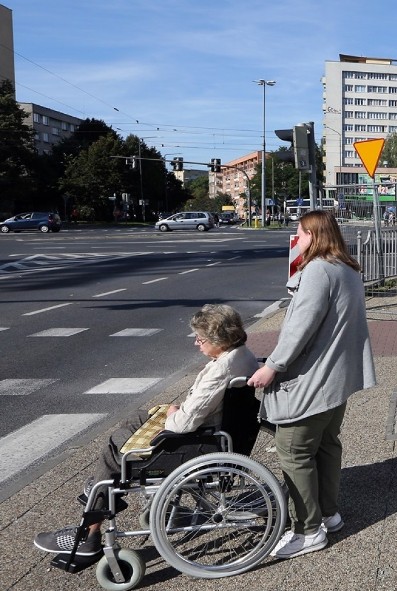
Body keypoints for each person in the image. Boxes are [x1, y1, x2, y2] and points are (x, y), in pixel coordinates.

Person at [33, 304, 259, 557]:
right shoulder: (242, 355)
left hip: (197, 443)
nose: (197, 343)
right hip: (215, 433)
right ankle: (102, 486)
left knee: (112, 450)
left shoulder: (221, 369)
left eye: (201, 339)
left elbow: (184, 424)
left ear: (220, 339)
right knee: (138, 417)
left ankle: (90, 534)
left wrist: (174, 413)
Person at [248, 210, 375, 560]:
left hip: (312, 381)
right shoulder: (347, 269)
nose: (297, 240)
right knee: (326, 445)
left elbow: (299, 327)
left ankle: (307, 531)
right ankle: (329, 514)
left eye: (301, 234)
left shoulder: (319, 270)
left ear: (315, 235)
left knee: (294, 451)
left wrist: (273, 366)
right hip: (338, 380)